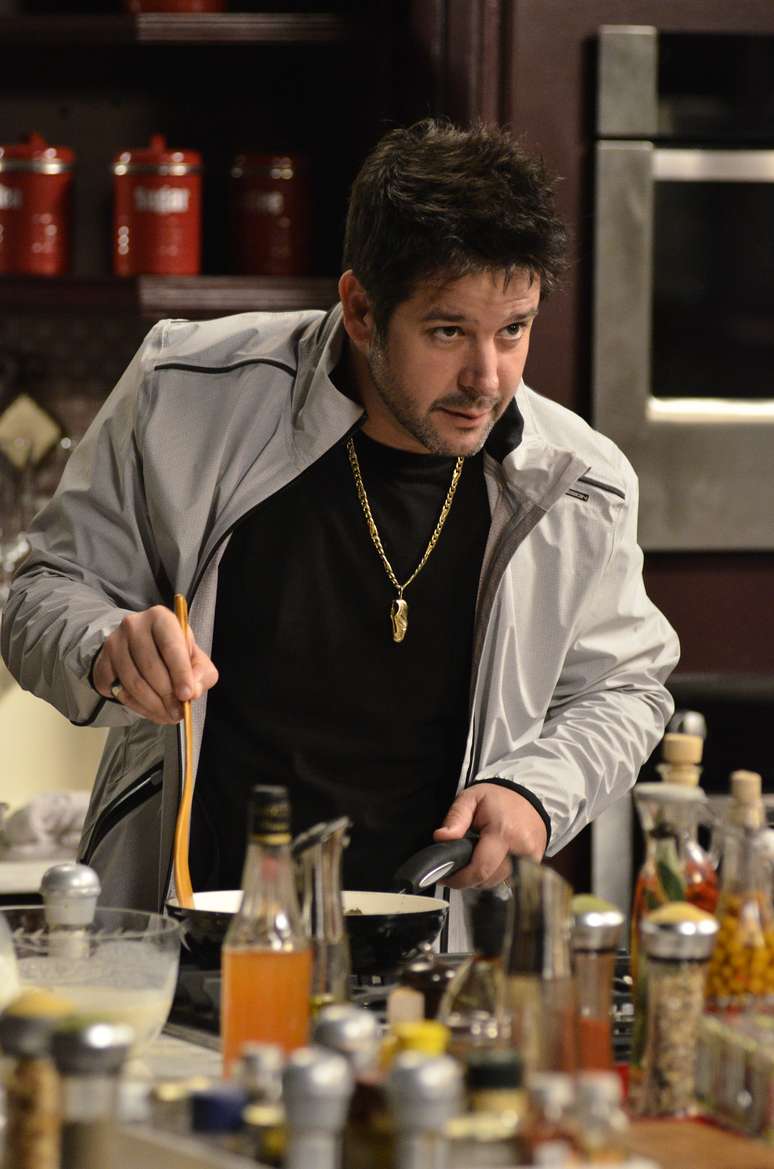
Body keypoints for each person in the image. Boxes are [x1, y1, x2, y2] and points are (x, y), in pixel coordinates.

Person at [1, 120, 678, 946]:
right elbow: (39, 593)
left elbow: (625, 686)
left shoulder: (580, 481)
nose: (487, 377)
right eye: (448, 331)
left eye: (513, 329)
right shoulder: (184, 391)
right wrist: (104, 645)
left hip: (434, 951)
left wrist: (538, 790)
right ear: (359, 307)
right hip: (189, 933)